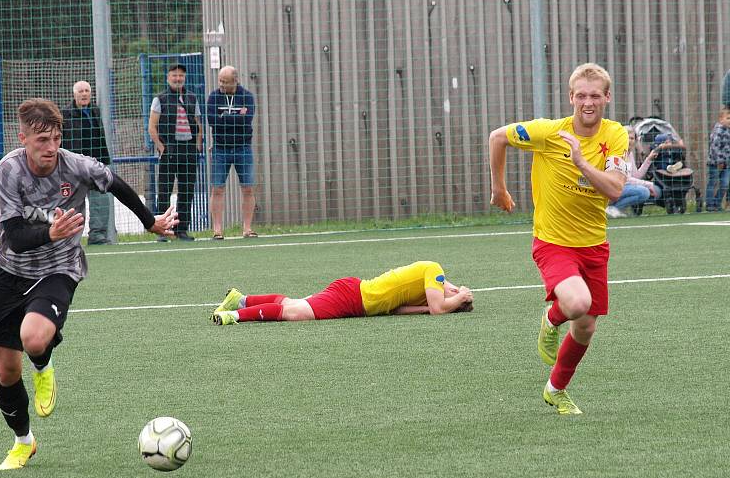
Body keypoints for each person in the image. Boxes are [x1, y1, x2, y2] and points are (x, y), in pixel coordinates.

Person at [0, 99, 178, 470]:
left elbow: (116, 183)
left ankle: (44, 364)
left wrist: (150, 222)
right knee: (6, 369)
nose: (50, 147)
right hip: (8, 270)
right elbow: (14, 236)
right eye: (41, 140)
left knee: (34, 338)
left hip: (59, 267)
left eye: (55, 138)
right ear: (23, 139)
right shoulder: (8, 171)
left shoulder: (77, 165)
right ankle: (23, 442)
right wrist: (51, 231)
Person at [489, 63, 628, 415]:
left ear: (607, 98)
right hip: (553, 243)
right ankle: (552, 320)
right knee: (578, 303)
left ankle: (556, 389)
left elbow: (614, 189)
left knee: (586, 326)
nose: (588, 102)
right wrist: (499, 188)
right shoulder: (548, 132)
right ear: (570, 98)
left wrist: (581, 161)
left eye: (595, 95)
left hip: (594, 244)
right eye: (581, 95)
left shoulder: (615, 136)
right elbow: (497, 137)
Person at [211, 261, 473, 325]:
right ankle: (234, 315)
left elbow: (395, 309)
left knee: (294, 304)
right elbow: (440, 310)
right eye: (451, 290)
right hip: (352, 296)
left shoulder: (425, 294)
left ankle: (240, 299)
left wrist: (425, 309)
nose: (450, 293)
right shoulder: (435, 271)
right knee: (294, 313)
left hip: (354, 297)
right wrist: (461, 296)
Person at [148, 63, 203, 241]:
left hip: (188, 150)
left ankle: (182, 230)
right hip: (169, 149)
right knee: (164, 191)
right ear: (168, 77)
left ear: (184, 78)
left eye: (181, 75)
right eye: (174, 75)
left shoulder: (192, 98)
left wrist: (198, 144)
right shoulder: (160, 99)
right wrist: (161, 146)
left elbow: (198, 123)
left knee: (186, 191)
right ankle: (163, 231)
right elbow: (152, 127)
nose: (178, 78)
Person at [206, 65, 256, 239]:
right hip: (220, 148)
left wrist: (224, 118)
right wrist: (236, 116)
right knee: (217, 189)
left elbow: (247, 120)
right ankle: (217, 229)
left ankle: (247, 228)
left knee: (248, 188)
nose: (221, 84)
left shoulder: (247, 97)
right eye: (220, 80)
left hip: (243, 147)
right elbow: (212, 121)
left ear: (235, 81)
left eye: (225, 82)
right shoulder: (213, 97)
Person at [61, 80, 115, 244]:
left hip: (95, 164)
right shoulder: (65, 115)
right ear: (74, 94)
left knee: (101, 201)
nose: (84, 94)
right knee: (71, 204)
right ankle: (68, 238)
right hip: (74, 167)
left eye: (87, 91)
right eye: (81, 91)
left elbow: (101, 138)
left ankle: (98, 236)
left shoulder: (95, 112)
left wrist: (104, 161)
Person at [605, 125, 659, 218]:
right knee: (644, 191)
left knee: (656, 191)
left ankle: (614, 209)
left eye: (632, 138)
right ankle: (612, 208)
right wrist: (648, 184)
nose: (629, 140)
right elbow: (625, 179)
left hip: (624, 187)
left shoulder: (629, 154)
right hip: (611, 188)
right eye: (626, 137)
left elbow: (636, 176)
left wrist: (649, 159)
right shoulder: (616, 152)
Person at [705, 108, 730, 211]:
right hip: (715, 162)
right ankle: (710, 204)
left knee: (725, 183)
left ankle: (717, 203)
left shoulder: (728, 130)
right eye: (728, 118)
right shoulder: (718, 130)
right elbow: (715, 147)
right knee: (713, 182)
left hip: (727, 163)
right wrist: (719, 161)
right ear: (721, 119)